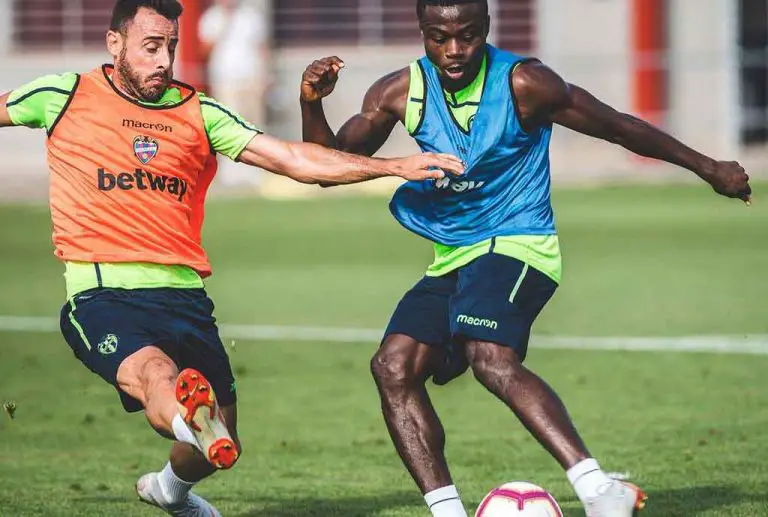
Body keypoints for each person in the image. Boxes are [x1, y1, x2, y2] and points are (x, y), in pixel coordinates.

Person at [0, 1, 463, 515]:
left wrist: (393, 165)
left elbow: (292, 159)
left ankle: (170, 488)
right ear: (115, 43)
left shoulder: (198, 110)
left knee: (226, 442)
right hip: (103, 293)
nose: (164, 60)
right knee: (156, 373)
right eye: (151, 47)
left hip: (184, 297)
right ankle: (191, 421)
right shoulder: (64, 94)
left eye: (171, 47)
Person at [299, 0, 752, 515]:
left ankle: (599, 491)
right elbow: (327, 166)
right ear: (422, 31)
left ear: (487, 28)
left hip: (520, 243)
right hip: (454, 253)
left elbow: (618, 127)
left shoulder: (525, 84)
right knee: (392, 367)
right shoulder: (398, 92)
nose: (454, 50)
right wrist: (312, 104)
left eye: (468, 35)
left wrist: (708, 167)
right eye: (439, 37)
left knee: (489, 355)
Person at [199, 0, 270, 187]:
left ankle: (255, 171)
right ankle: (230, 173)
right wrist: (221, 28)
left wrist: (265, 75)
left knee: (253, 124)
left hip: (251, 77)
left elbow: (261, 47)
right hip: (225, 79)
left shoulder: (251, 16)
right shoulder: (212, 18)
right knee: (227, 125)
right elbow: (204, 50)